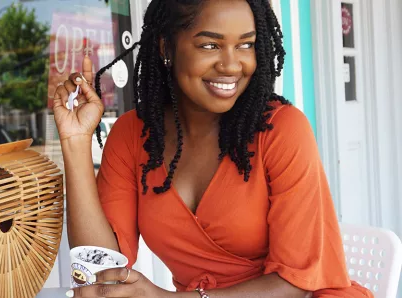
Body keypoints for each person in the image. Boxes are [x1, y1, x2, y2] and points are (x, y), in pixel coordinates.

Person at [53, 0, 374, 297]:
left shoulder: (282, 131)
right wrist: (76, 142)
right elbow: (102, 271)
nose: (232, 65)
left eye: (245, 44)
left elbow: (295, 285)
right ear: (167, 47)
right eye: (210, 45)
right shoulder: (132, 135)